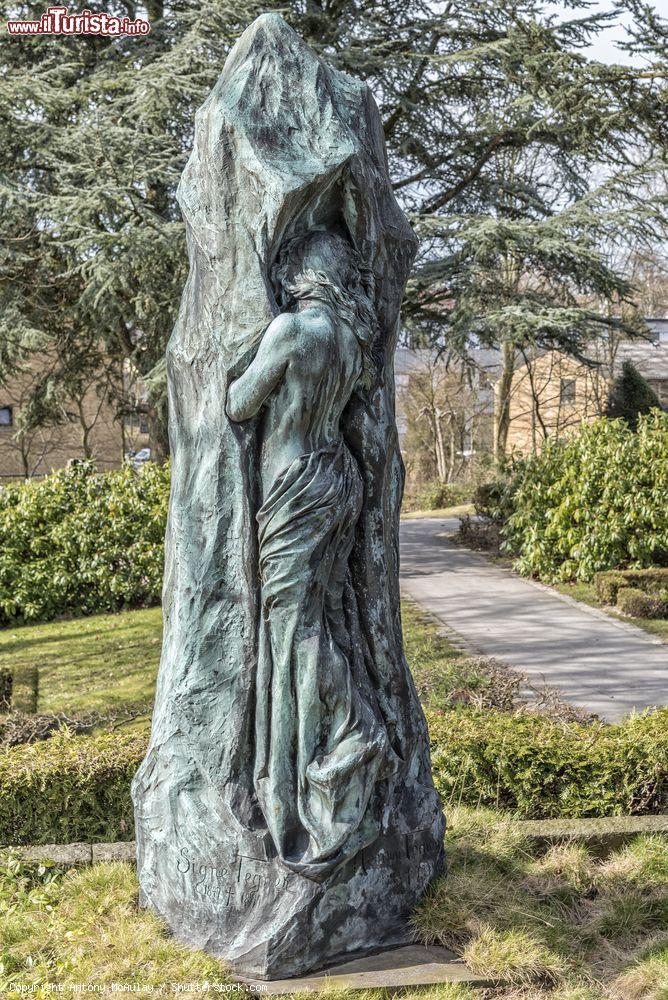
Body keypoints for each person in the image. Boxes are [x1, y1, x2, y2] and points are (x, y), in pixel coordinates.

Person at [226, 231, 389, 880]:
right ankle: (303, 764)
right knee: (312, 620)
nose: (284, 283)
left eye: (290, 273)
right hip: (337, 479)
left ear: (305, 277)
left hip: (295, 488)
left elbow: (239, 402)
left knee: (296, 631)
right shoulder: (350, 337)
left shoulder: (291, 332)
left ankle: (351, 732)